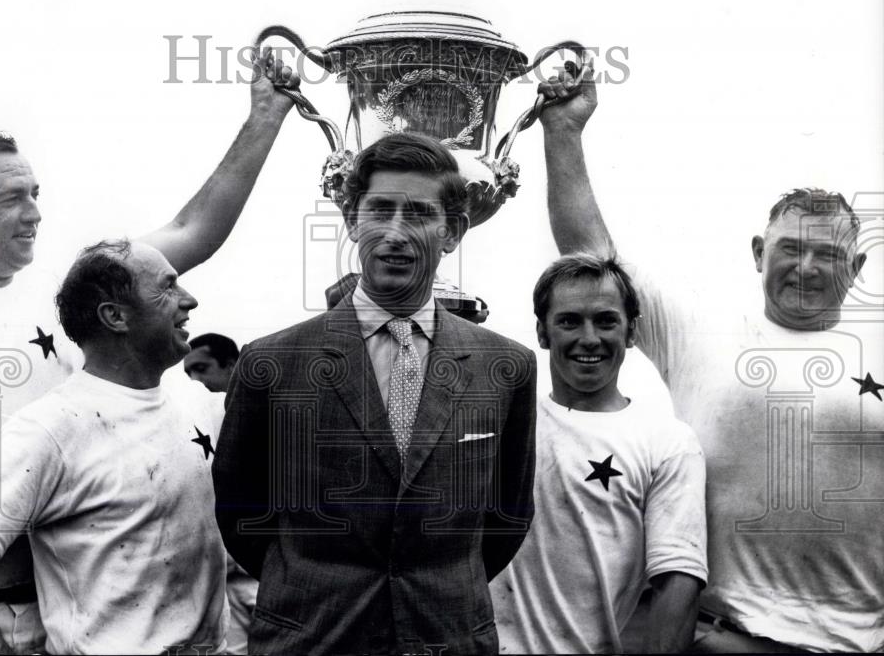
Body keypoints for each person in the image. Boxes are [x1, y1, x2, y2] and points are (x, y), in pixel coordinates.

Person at [0, 51, 299, 653]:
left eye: (35, 192)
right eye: (11, 198)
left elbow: (193, 232)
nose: (35, 213)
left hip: (58, 614)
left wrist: (265, 118)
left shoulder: (72, 287)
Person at [539, 61, 883, 652]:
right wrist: (563, 131)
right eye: (790, 248)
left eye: (827, 254)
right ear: (757, 252)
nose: (806, 267)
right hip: (724, 638)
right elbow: (590, 253)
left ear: (856, 268)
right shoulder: (700, 331)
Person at [214, 133, 538, 655]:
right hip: (313, 637)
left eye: (418, 214)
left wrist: (434, 583)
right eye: (380, 210)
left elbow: (507, 517)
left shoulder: (507, 368)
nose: (395, 233)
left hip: (447, 636)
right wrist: (315, 586)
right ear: (351, 222)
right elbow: (241, 513)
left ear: (452, 231)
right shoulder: (271, 363)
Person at [0, 240, 226, 654]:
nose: (189, 301)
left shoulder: (195, 399)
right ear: (115, 316)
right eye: (167, 287)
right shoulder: (50, 427)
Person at [490, 254, 707, 654]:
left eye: (606, 321)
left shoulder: (668, 440)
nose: (589, 338)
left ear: (630, 332)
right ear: (542, 332)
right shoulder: (504, 418)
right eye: (569, 321)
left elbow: (678, 577)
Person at [182, 331, 254, 655]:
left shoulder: (268, 416)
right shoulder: (192, 425)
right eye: (188, 373)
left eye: (202, 368)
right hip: (219, 586)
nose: (195, 380)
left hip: (264, 576)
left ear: (231, 365)